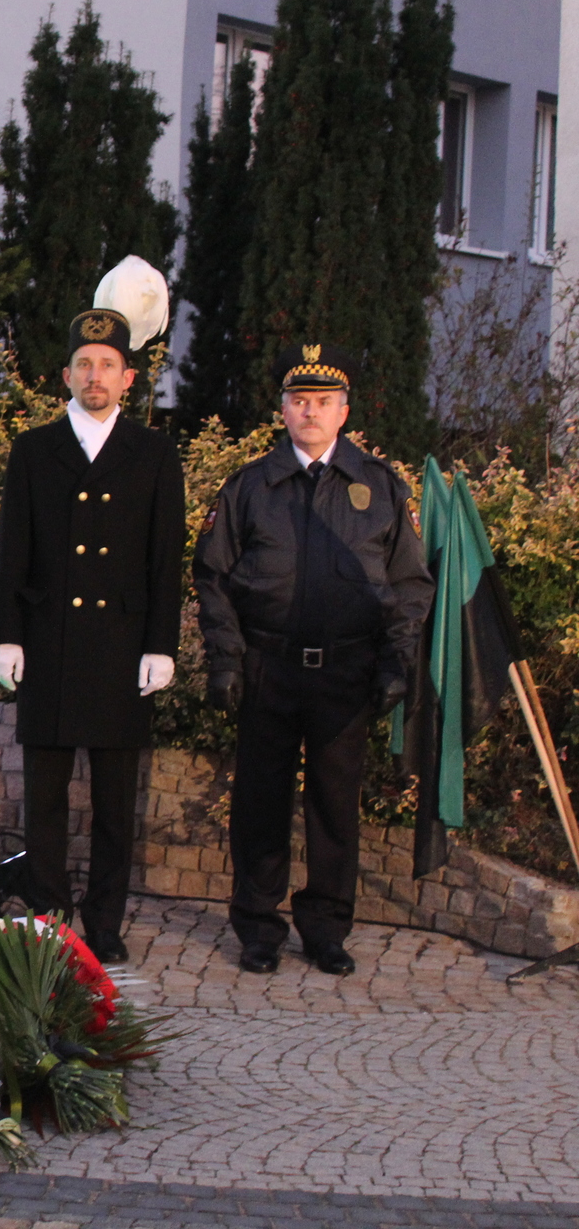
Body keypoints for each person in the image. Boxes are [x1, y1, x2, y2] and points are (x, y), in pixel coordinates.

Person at [194, 344, 433, 976]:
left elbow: (410, 585)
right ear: (283, 411)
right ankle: (258, 926)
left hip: (346, 673)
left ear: (344, 411)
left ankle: (326, 927)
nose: (310, 413)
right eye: (299, 402)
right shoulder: (249, 486)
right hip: (269, 667)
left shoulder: (379, 487)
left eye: (323, 403)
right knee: (260, 802)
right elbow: (212, 575)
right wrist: (226, 659)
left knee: (334, 804)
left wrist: (395, 664)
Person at [0, 307, 185, 963]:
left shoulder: (154, 454)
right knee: (43, 797)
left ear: (128, 377)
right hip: (47, 643)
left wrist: (162, 644)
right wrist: (6, 635)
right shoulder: (35, 450)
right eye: (83, 364)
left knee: (112, 803)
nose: (94, 375)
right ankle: (48, 912)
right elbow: (13, 550)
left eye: (107, 365)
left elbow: (165, 559)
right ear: (66, 374)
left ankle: (104, 921)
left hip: (121, 648)